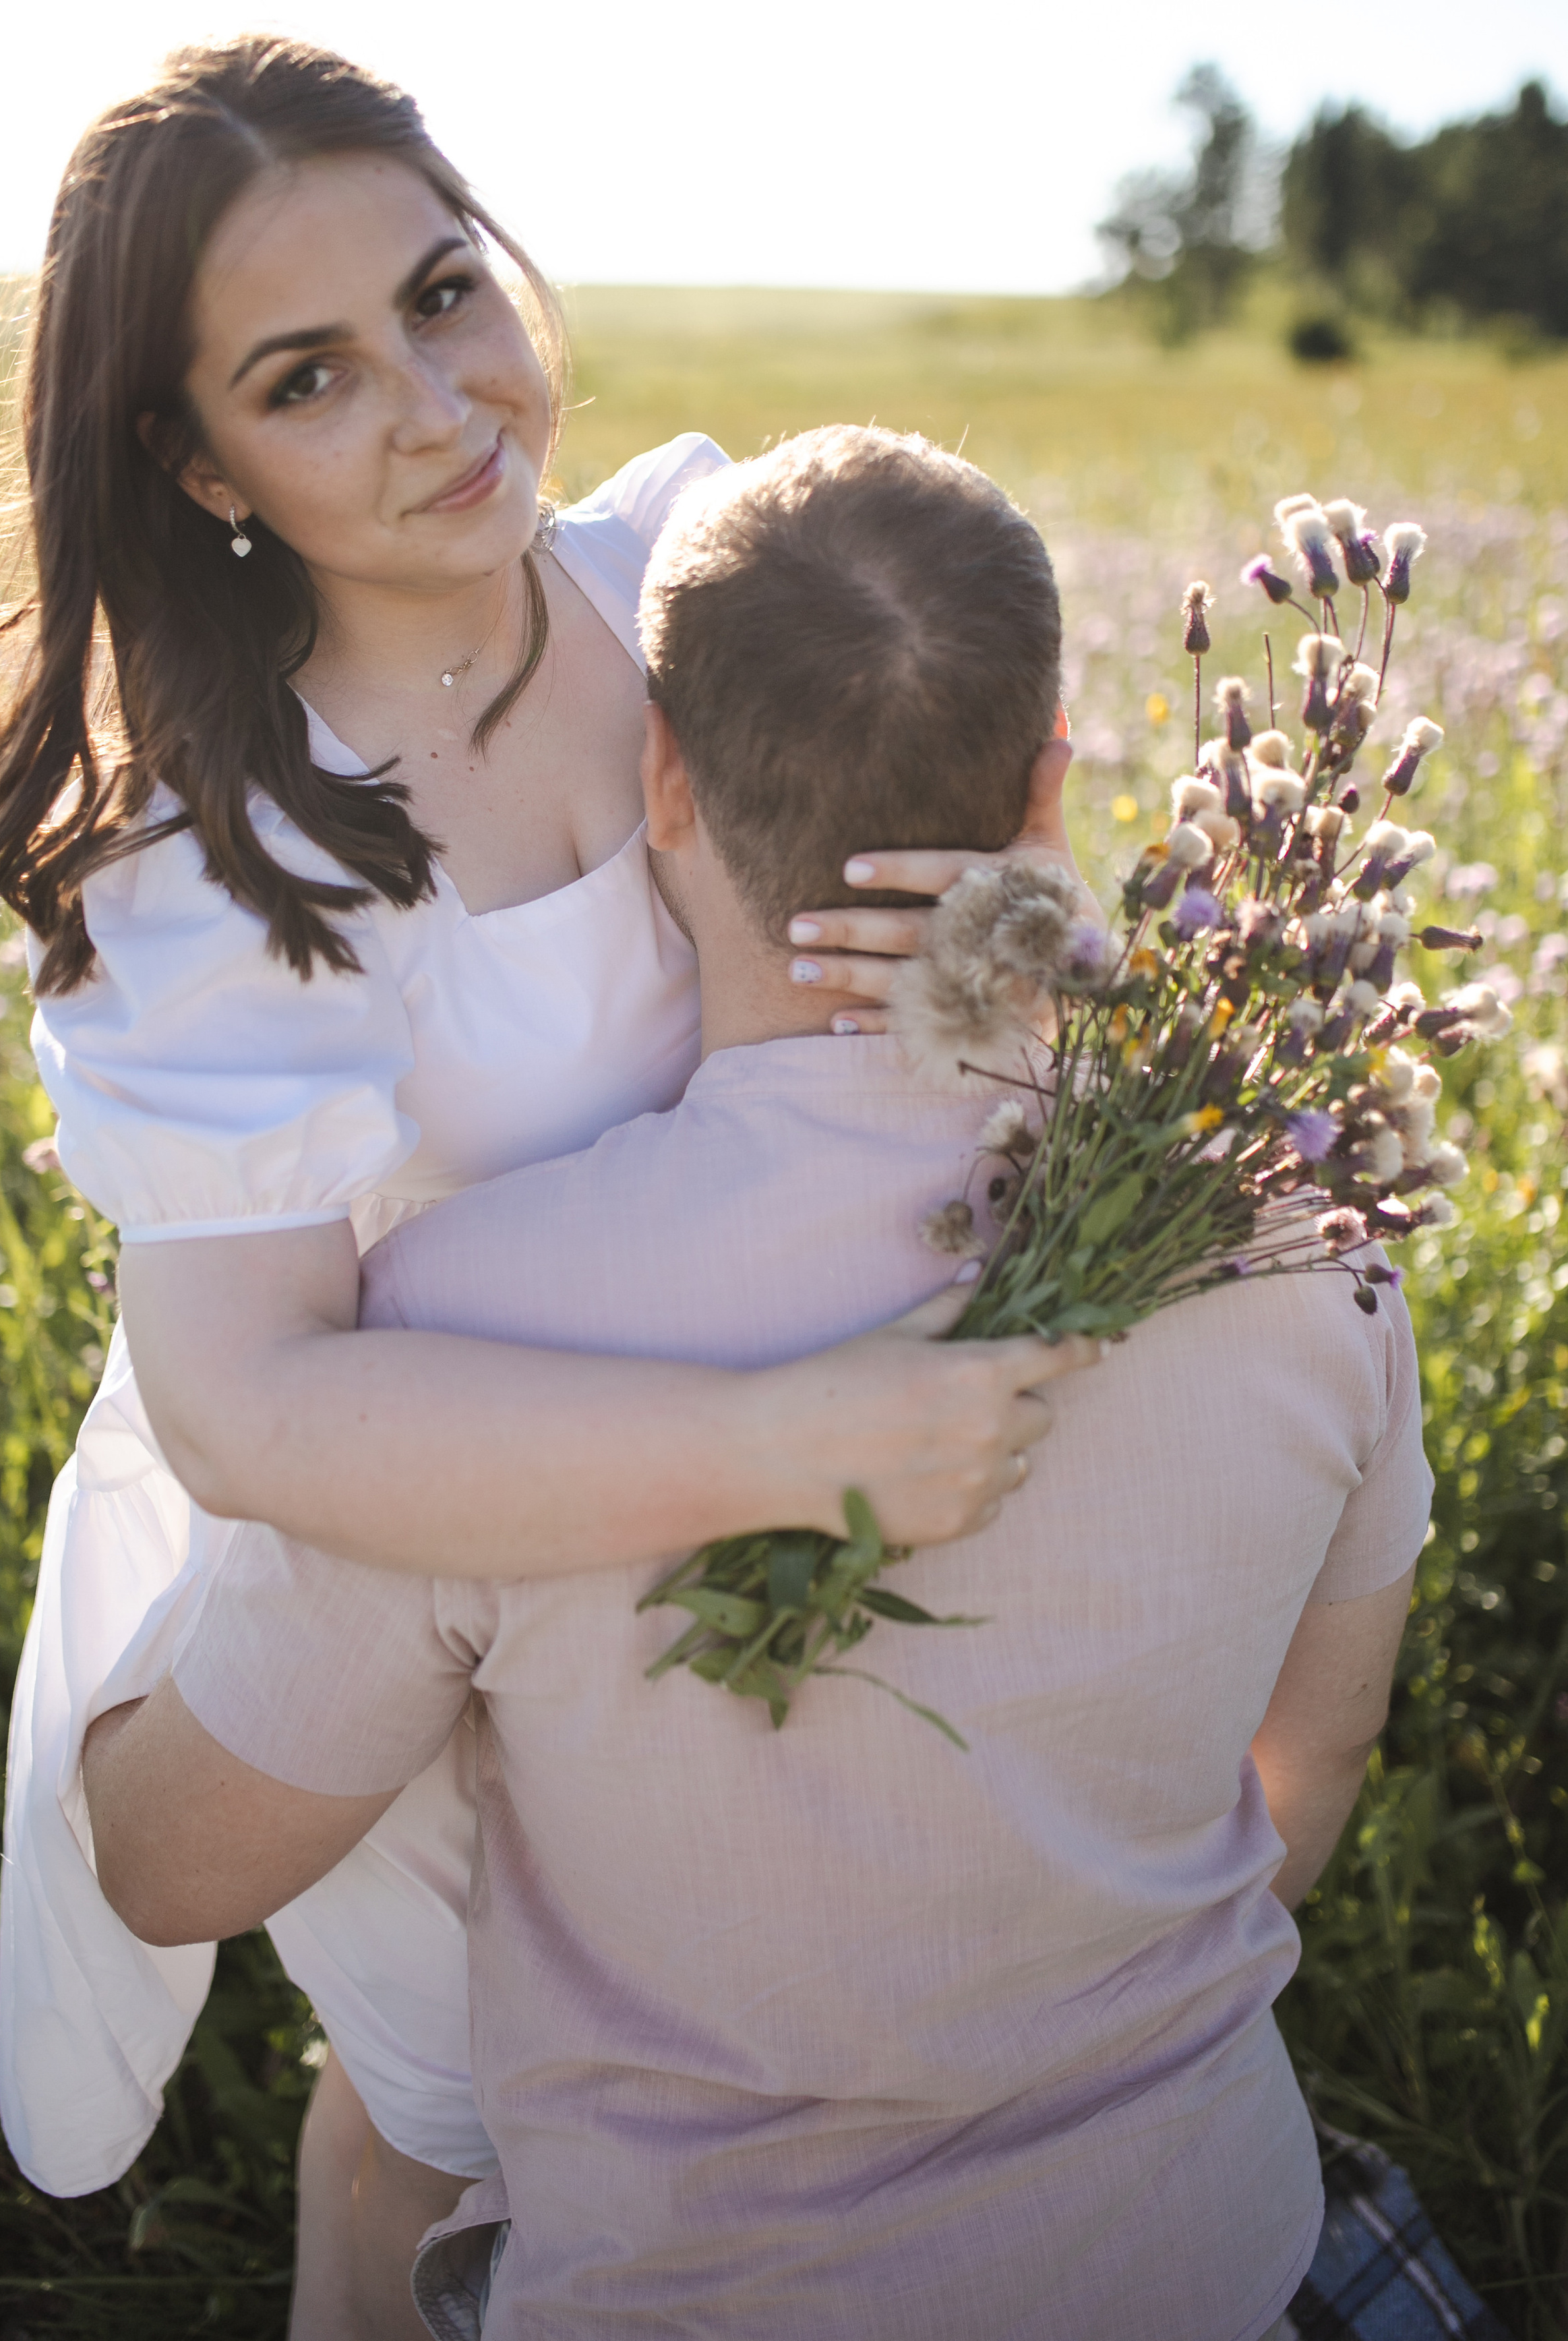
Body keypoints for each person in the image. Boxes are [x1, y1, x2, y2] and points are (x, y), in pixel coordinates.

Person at [86, 427, 1433, 2341]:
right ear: (1050, 782)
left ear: (662, 777)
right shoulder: (1307, 1245)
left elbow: (167, 1868)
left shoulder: (470, 1327)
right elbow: (1312, 1768)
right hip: (1203, 2257)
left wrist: (130, 1612)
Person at [0, 36, 1088, 2307]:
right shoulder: (226, 862)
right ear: (195, 465)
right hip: (445, 1526)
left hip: (792, 1440)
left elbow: (999, 867)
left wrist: (1021, 938)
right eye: (311, 377)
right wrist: (775, 1444)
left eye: (446, 292)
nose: (437, 402)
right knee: (448, 2106)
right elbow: (250, 1411)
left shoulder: (690, 564)